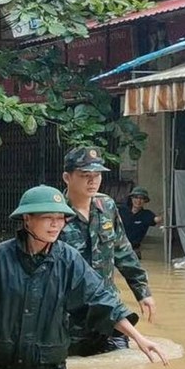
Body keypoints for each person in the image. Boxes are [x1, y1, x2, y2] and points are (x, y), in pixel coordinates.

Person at [0, 186, 167, 369]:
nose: (55, 225)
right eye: (47, 217)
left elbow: (101, 301)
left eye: (60, 218)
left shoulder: (68, 259)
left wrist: (140, 339)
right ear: (27, 219)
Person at [58, 147, 156, 356]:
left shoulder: (107, 205)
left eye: (97, 175)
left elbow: (122, 250)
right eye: (85, 176)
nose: (93, 181)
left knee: (121, 366)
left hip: (110, 309)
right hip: (73, 316)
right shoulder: (54, 214)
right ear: (67, 177)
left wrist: (142, 291)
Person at [118, 186, 162, 256]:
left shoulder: (146, 214)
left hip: (133, 250)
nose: (138, 201)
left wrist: (164, 215)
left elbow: (156, 220)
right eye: (136, 197)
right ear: (131, 198)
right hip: (117, 247)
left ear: (145, 201)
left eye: (141, 198)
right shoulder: (121, 210)